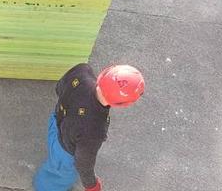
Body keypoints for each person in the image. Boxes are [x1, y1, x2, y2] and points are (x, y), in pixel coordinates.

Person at [33, 63, 145, 191]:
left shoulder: (82, 71)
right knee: (59, 174)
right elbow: (83, 162)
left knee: (55, 154)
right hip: (64, 150)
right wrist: (92, 185)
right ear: (121, 104)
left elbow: (59, 87)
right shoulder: (95, 130)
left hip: (56, 121)